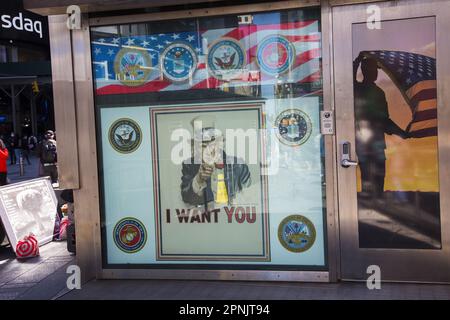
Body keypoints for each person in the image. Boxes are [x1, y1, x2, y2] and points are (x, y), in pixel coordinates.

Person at [353, 55, 410, 198]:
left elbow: (384, 120)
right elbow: (383, 120)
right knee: (368, 176)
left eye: (376, 70)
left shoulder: (379, 92)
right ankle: (372, 202)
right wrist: (358, 60)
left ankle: (377, 200)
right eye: (373, 69)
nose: (376, 73)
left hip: (375, 142)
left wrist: (402, 133)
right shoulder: (357, 89)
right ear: (366, 71)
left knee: (378, 176)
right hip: (364, 141)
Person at [181, 115, 251, 208]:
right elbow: (187, 199)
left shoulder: (239, 165)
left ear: (221, 143)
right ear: (197, 149)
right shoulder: (190, 166)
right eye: (203, 145)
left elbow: (250, 199)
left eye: (213, 142)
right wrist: (198, 179)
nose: (209, 149)